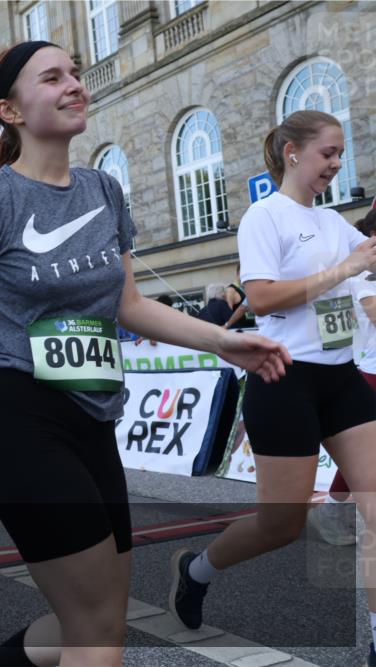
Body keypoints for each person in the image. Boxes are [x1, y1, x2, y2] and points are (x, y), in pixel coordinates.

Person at [0, 41, 290, 667]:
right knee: (93, 633)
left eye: (76, 73)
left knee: (99, 621)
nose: (75, 85)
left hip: (95, 422)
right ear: (10, 110)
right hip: (23, 422)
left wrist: (222, 340)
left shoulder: (104, 192)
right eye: (52, 78)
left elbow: (129, 305)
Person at [168, 110, 376, 666]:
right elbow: (259, 299)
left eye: (339, 154)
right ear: (292, 152)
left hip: (342, 382)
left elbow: (367, 284)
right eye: (328, 153)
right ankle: (197, 569)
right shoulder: (266, 216)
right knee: (279, 525)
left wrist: (358, 273)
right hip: (282, 379)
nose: (336, 163)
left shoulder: (337, 225)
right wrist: (343, 269)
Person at [309, 207, 376, 547]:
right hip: (371, 372)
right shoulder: (364, 272)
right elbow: (373, 313)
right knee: (363, 455)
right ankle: (332, 510)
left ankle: (334, 510)